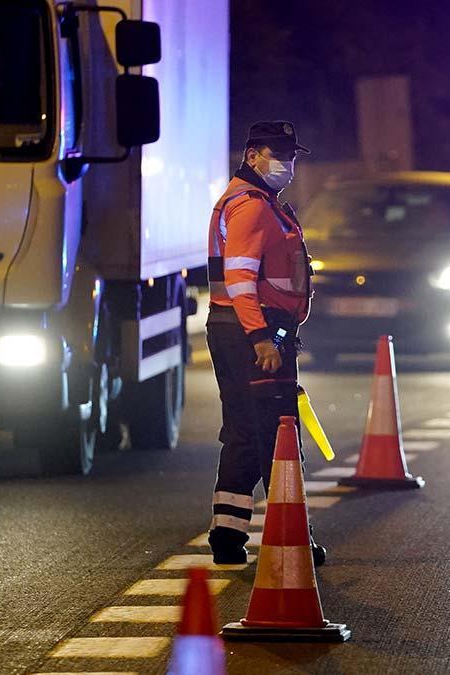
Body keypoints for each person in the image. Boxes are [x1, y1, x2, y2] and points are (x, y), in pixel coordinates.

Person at [205, 120, 325, 565]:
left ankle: (228, 537)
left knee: (244, 432)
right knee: (279, 435)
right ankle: (289, 540)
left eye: (291, 155)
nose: (287, 163)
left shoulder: (258, 202)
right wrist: (261, 338)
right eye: (279, 153)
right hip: (252, 332)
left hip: (240, 328)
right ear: (252, 155)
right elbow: (239, 279)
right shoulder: (252, 207)